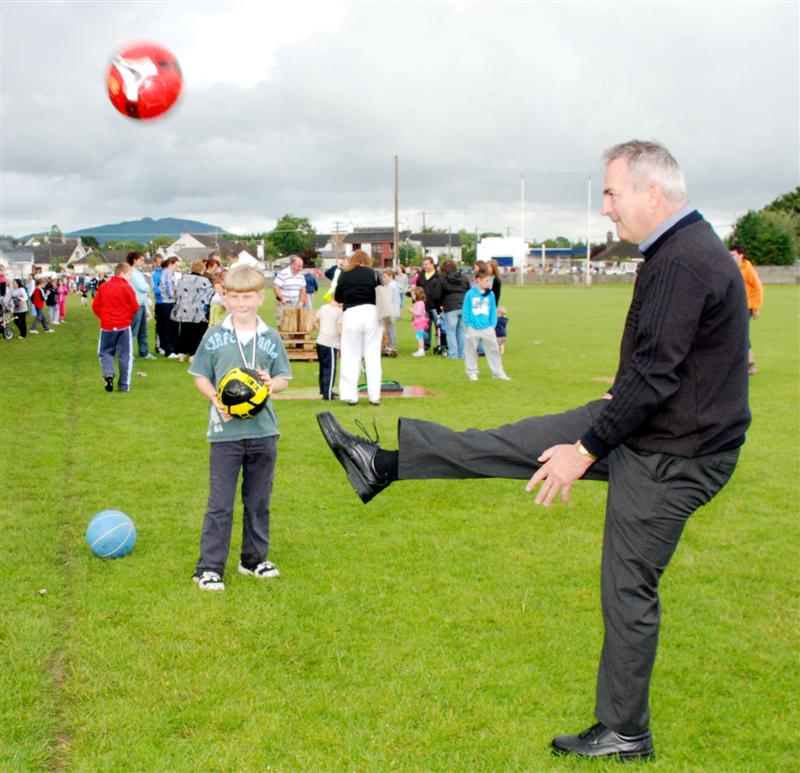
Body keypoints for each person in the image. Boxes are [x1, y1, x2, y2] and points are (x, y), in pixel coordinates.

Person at [315, 140, 751, 762]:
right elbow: (669, 363)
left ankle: (625, 730)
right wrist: (617, 403)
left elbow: (660, 373)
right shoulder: (678, 250)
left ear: (652, 193)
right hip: (648, 422)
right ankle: (384, 464)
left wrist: (589, 447)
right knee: (515, 440)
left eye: (611, 192)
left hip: (673, 455)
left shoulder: (683, 258)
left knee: (627, 588)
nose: (605, 208)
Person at [187, 265, 292, 592]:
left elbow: (284, 379)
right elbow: (199, 375)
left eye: (247, 297)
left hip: (263, 432)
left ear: (260, 297)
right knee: (220, 502)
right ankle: (208, 568)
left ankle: (253, 560)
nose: (241, 303)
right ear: (225, 297)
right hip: (225, 434)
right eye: (234, 297)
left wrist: (269, 384)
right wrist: (215, 398)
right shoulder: (214, 336)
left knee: (259, 499)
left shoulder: (271, 337)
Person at [335, 249, 382, 405]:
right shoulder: (373, 274)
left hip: (352, 313)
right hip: (372, 312)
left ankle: (351, 395)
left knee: (350, 355)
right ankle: (374, 396)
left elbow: (338, 297)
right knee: (372, 355)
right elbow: (381, 293)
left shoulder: (345, 274)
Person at [92, 262, 140, 393]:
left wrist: (104, 317)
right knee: (125, 356)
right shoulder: (127, 288)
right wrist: (127, 315)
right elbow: (135, 307)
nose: (131, 277)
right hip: (123, 326)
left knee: (105, 352)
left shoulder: (104, 287)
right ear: (122, 273)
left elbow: (96, 305)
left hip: (107, 326)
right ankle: (124, 385)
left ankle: (108, 373)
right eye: (129, 274)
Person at [463, 268, 510, 381]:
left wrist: (492, 324)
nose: (488, 283)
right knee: (471, 350)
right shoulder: (470, 294)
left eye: (489, 280)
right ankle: (472, 372)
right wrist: (469, 323)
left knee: (494, 350)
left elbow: (492, 310)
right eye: (486, 280)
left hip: (487, 327)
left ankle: (498, 372)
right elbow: (466, 310)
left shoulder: (491, 294)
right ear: (478, 280)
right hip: (473, 327)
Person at [729, 244, 764, 375]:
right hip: (735, 307)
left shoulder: (747, 269)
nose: (731, 257)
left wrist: (755, 308)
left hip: (746, 307)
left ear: (741, 255)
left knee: (741, 333)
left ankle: (750, 364)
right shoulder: (733, 268)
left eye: (733, 255)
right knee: (734, 333)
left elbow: (758, 288)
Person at [172, 259, 213, 363]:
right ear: (202, 268)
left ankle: (181, 354)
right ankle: (193, 355)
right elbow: (209, 295)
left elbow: (176, 293)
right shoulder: (204, 281)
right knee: (198, 333)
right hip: (198, 312)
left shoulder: (183, 279)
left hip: (184, 311)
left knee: (185, 332)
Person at [126, 251, 156, 360]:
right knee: (134, 330)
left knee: (143, 331)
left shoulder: (139, 272)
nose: (143, 262)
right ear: (134, 260)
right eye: (141, 260)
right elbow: (143, 287)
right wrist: (148, 287)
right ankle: (129, 353)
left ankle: (144, 352)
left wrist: (147, 287)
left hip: (142, 303)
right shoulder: (132, 272)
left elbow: (145, 286)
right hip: (135, 304)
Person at [439, 260, 470, 359]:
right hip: (463, 306)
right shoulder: (464, 278)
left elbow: (439, 293)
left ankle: (453, 355)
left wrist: (440, 305)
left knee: (450, 332)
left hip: (450, 306)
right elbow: (468, 290)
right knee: (461, 332)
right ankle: (462, 354)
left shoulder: (443, 279)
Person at [315, 298, 343, 400]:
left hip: (320, 341)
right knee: (330, 369)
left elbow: (316, 318)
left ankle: (323, 389)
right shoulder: (338, 311)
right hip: (330, 342)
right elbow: (340, 328)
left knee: (323, 367)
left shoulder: (324, 307)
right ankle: (328, 394)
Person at [416, 256, 442, 351]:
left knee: (439, 326)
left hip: (435, 306)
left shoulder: (438, 275)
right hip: (424, 306)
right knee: (425, 327)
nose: (425, 266)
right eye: (423, 265)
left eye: (426, 264)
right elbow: (418, 288)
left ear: (432, 264)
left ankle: (440, 344)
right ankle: (426, 345)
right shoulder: (421, 275)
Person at [273, 256, 307, 325]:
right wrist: (282, 298)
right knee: (283, 324)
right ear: (292, 264)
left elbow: (303, 289)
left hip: (295, 304)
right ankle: (281, 336)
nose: (300, 268)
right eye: (298, 266)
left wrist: (301, 302)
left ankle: (292, 336)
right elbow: (275, 287)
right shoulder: (283, 273)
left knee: (294, 325)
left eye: (301, 266)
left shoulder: (301, 276)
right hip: (284, 304)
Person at [159, 256, 180, 358]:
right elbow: (167, 286)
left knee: (173, 326)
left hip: (172, 302)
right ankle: (169, 350)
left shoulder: (171, 274)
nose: (177, 267)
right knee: (168, 327)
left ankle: (174, 348)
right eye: (176, 265)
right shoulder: (166, 273)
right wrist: (173, 295)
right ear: (171, 263)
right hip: (167, 302)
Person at [381, 269, 402, 356]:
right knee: (390, 329)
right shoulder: (395, 284)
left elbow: (388, 299)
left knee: (390, 330)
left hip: (390, 311)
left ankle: (392, 347)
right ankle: (391, 346)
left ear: (390, 276)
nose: (383, 279)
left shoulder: (390, 286)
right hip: (394, 310)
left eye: (385, 277)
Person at [410, 286, 428, 358]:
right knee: (419, 336)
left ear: (418, 294)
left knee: (420, 337)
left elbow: (418, 313)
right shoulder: (418, 303)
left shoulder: (420, 303)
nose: (412, 296)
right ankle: (420, 350)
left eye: (414, 294)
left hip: (420, 322)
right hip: (418, 322)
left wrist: (411, 311)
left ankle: (421, 350)